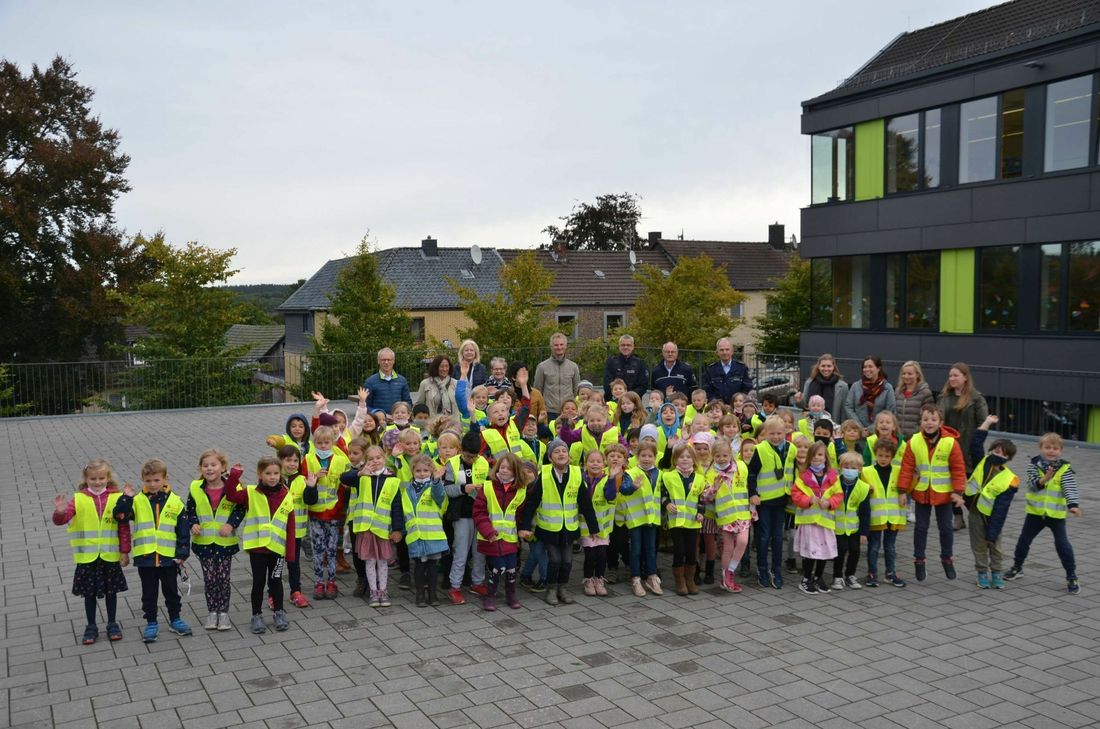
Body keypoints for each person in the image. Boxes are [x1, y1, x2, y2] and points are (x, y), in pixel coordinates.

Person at [114, 459, 192, 643]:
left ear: (165, 479)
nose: (152, 484)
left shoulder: (175, 502)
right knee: (149, 594)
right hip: (146, 558)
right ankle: (151, 622)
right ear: (143, 480)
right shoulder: (137, 501)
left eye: (156, 480)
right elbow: (120, 516)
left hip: (168, 559)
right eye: (148, 481)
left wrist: (182, 553)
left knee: (171, 592)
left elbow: (183, 529)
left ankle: (175, 619)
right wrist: (125, 498)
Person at [53, 458, 130, 645]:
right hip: (87, 557)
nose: (97, 482)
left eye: (101, 478)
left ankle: (112, 623)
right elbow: (61, 520)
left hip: (109, 555)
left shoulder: (116, 497)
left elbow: (123, 526)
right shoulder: (79, 498)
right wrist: (61, 512)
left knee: (111, 592)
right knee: (89, 593)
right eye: (93, 479)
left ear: (108, 478)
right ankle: (91, 626)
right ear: (86, 479)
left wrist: (124, 551)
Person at [519, 439, 596, 606]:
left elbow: (585, 503)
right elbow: (531, 504)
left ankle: (563, 588)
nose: (561, 453)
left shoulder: (576, 473)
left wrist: (593, 527)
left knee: (567, 560)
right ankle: (551, 589)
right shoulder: (543, 475)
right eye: (557, 451)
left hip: (569, 527)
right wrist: (524, 526)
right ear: (550, 457)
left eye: (564, 451)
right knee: (555, 559)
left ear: (568, 456)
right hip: (549, 528)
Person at [896, 404, 967, 582]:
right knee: (920, 528)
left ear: (940, 422)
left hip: (944, 494)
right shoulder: (914, 442)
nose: (929, 423)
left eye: (933, 419)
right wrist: (902, 491)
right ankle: (919, 561)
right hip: (922, 492)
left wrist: (958, 492)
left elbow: (958, 469)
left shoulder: (950, 442)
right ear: (921, 421)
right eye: (926, 419)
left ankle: (947, 559)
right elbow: (906, 468)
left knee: (945, 529)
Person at [1004, 433, 1081, 594]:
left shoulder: (1065, 469)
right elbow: (1031, 486)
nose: (1051, 451)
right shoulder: (1034, 465)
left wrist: (1073, 505)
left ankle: (1071, 576)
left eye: (1055, 448)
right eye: (1047, 447)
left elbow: (1069, 488)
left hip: (1056, 515)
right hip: (1035, 513)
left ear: (1060, 450)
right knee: (1023, 541)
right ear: (1041, 449)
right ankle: (1017, 567)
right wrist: (1044, 479)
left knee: (1062, 545)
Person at [226, 457, 294, 634]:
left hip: (277, 549)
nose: (272, 477)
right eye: (268, 473)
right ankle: (256, 615)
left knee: (276, 580)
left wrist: (291, 553)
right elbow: (231, 495)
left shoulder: (286, 495)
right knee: (258, 582)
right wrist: (234, 476)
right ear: (259, 474)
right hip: (258, 548)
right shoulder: (250, 492)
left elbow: (291, 525)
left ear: (281, 474)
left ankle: (279, 612)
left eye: (276, 474)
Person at [184, 449, 245, 631]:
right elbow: (190, 509)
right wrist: (193, 524)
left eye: (213, 465)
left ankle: (224, 613)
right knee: (210, 579)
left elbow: (240, 509)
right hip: (203, 543)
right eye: (205, 465)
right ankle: (212, 612)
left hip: (225, 543)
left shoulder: (234, 487)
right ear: (200, 468)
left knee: (223, 579)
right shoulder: (195, 487)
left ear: (223, 467)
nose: (209, 469)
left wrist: (231, 525)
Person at [343, 444, 402, 608]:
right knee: (369, 561)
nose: (375, 461)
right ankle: (373, 591)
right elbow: (344, 478)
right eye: (370, 459)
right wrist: (360, 472)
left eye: (378, 458)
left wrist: (398, 529)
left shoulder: (392, 480)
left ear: (384, 459)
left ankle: (383, 590)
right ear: (365, 461)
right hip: (366, 528)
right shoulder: (361, 477)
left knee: (382, 561)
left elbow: (397, 507)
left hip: (383, 529)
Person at [474, 453, 531, 611]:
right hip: (491, 537)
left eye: (509, 468)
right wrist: (488, 531)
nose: (505, 470)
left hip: (510, 537)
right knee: (498, 567)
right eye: (502, 467)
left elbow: (520, 515)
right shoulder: (488, 486)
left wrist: (522, 531)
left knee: (512, 567)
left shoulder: (520, 490)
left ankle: (511, 595)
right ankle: (490, 596)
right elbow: (479, 512)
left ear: (516, 471)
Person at [938, 362, 989, 531]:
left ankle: (980, 516)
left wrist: (975, 442)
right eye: (950, 375)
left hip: (970, 449)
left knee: (970, 487)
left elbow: (983, 423)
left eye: (956, 375)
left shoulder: (976, 398)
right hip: (949, 447)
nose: (952, 378)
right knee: (952, 483)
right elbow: (938, 419)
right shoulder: (944, 396)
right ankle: (958, 517)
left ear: (965, 378)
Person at [303, 425, 351, 600]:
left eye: (326, 443)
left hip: (333, 512)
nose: (323, 446)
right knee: (318, 549)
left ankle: (331, 581)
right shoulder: (308, 459)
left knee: (331, 549)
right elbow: (302, 483)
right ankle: (318, 582)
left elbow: (346, 484)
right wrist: (312, 480)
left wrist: (339, 504)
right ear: (314, 443)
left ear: (333, 443)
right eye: (319, 443)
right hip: (315, 512)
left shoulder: (339, 460)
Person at [964, 435, 1018, 590]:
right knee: (978, 546)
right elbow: (975, 442)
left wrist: (992, 532)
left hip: (993, 517)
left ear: (1008, 458)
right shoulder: (982, 462)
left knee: (995, 546)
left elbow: (1001, 509)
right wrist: (986, 424)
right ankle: (981, 572)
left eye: (1003, 454)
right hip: (975, 513)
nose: (998, 455)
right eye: (996, 451)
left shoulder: (1009, 479)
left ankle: (996, 573)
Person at [747, 415, 793, 589]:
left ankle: (776, 570)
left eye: (779, 433)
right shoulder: (760, 449)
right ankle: (762, 569)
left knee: (779, 537)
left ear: (786, 432)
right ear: (765, 433)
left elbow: (794, 470)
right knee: (763, 536)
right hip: (764, 501)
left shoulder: (792, 449)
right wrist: (753, 493)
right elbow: (751, 473)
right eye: (772, 433)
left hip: (782, 499)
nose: (776, 437)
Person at [396, 454, 448, 607]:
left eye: (426, 470)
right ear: (413, 471)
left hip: (433, 534)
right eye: (418, 470)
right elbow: (405, 511)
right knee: (419, 565)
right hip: (416, 535)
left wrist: (437, 481)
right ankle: (420, 594)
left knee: (432, 566)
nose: (422, 473)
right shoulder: (408, 489)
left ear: (431, 471)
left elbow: (440, 497)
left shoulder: (434, 485)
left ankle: (432, 594)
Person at [792, 442, 842, 595]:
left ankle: (818, 577)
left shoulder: (833, 477)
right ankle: (806, 578)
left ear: (825, 457)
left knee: (824, 551)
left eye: (820, 455)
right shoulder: (803, 477)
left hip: (825, 522)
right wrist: (808, 500)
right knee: (810, 552)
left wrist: (830, 503)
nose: (816, 458)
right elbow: (796, 495)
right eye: (813, 455)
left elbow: (839, 495)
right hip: (809, 522)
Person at [579, 447, 628, 596]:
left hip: (603, 527)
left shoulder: (608, 479)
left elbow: (610, 496)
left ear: (604, 463)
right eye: (591, 461)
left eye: (599, 461)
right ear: (585, 463)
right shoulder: (581, 479)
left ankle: (599, 579)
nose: (595, 464)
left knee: (601, 556)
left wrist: (612, 478)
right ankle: (588, 579)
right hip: (586, 526)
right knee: (590, 556)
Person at [660, 443, 706, 596]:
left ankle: (690, 579)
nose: (685, 460)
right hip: (676, 521)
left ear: (693, 460)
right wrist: (666, 504)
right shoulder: (668, 476)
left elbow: (701, 499)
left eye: (688, 457)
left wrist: (701, 512)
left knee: (691, 552)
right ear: (675, 460)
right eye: (681, 457)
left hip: (693, 522)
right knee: (679, 550)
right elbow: (662, 494)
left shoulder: (699, 478)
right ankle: (679, 580)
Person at [862, 439, 907, 588]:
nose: (883, 459)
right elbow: (859, 489)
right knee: (874, 546)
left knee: (890, 547)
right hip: (876, 517)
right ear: (875, 454)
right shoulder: (866, 471)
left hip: (893, 517)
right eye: (880, 455)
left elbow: (908, 486)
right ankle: (872, 573)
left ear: (892, 457)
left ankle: (890, 573)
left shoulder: (899, 471)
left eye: (887, 456)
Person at [710, 439, 752, 593]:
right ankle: (725, 577)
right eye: (718, 456)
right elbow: (706, 496)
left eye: (725, 455)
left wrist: (752, 507)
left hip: (743, 512)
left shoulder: (740, 467)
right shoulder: (711, 472)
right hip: (726, 515)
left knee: (743, 541)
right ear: (713, 456)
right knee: (728, 547)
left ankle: (731, 571)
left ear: (731, 454)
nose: (722, 459)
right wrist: (714, 488)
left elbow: (748, 485)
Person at [624, 440, 663, 596]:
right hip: (636, 519)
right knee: (636, 549)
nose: (646, 459)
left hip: (652, 519)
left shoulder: (659, 474)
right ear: (637, 456)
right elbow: (624, 490)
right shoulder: (631, 473)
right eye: (643, 455)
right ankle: (635, 578)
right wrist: (633, 486)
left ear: (655, 457)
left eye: (650, 456)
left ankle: (651, 577)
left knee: (651, 548)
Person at [831, 451, 871, 590]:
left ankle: (850, 575)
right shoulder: (834, 483)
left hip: (854, 527)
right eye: (846, 467)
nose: (849, 470)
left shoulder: (863, 487)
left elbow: (865, 512)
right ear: (840, 467)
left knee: (855, 551)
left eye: (854, 468)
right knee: (840, 551)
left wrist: (864, 533)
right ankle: (837, 576)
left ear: (860, 470)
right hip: (837, 526)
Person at [533, 333, 580, 420]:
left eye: (561, 345)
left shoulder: (573, 366)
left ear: (565, 346)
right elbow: (538, 390)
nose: (559, 347)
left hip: (567, 412)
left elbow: (576, 389)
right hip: (549, 411)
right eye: (556, 345)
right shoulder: (542, 367)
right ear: (551, 347)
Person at [844, 356, 896, 434]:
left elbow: (890, 411)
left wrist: (871, 429)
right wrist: (859, 427)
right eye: (864, 367)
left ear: (878, 368)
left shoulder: (887, 388)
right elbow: (849, 407)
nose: (867, 369)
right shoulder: (856, 386)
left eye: (870, 366)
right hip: (858, 433)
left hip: (878, 433)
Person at [796, 353, 849, 420]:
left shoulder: (843, 386)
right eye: (823, 366)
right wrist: (799, 401)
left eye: (829, 366)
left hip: (833, 425)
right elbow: (805, 406)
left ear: (833, 367)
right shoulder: (809, 382)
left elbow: (844, 410)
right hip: (812, 424)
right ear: (819, 367)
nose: (826, 369)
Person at [702, 338, 754, 404]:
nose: (724, 352)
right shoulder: (710, 370)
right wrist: (717, 404)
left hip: (737, 408)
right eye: (721, 350)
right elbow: (707, 391)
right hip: (717, 409)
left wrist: (737, 402)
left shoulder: (742, 368)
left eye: (727, 349)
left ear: (732, 351)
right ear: (717, 352)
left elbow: (747, 389)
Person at [363, 348, 412, 417]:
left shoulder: (402, 380)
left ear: (393, 361)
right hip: (380, 422)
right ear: (378, 361)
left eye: (389, 360)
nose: (386, 362)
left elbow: (408, 403)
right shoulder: (370, 382)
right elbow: (364, 405)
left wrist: (401, 414)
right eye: (383, 360)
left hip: (399, 422)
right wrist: (377, 413)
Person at [894, 361, 935, 439]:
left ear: (917, 375)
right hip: (898, 437)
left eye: (910, 374)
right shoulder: (897, 392)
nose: (906, 376)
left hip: (916, 438)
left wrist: (919, 433)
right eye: (904, 373)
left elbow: (928, 416)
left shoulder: (925, 393)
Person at [603, 334, 650, 398]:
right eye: (623, 345)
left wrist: (628, 397)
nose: (625, 347)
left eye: (628, 345)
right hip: (612, 401)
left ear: (633, 347)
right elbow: (607, 384)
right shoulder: (610, 362)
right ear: (619, 346)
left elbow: (643, 386)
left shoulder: (640, 363)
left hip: (633, 402)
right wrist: (617, 395)